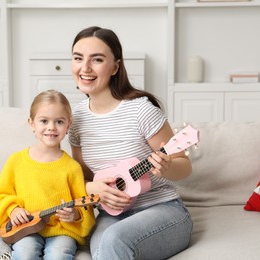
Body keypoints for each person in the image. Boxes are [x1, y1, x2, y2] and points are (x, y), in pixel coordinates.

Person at [68, 26, 193, 260]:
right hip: (111, 213)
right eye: (78, 58)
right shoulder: (76, 120)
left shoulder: (141, 110)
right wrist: (89, 188)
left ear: (115, 66)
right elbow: (82, 177)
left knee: (114, 241)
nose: (84, 68)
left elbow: (184, 166)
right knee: (99, 245)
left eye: (97, 59)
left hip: (163, 210)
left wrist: (168, 167)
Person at [0, 89, 96, 260]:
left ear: (68, 124)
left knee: (58, 254)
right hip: (25, 229)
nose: (51, 127)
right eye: (44, 121)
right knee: (25, 253)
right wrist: (13, 210)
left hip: (62, 231)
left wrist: (74, 215)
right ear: (31, 123)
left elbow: (85, 208)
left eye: (59, 122)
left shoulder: (72, 168)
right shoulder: (16, 161)